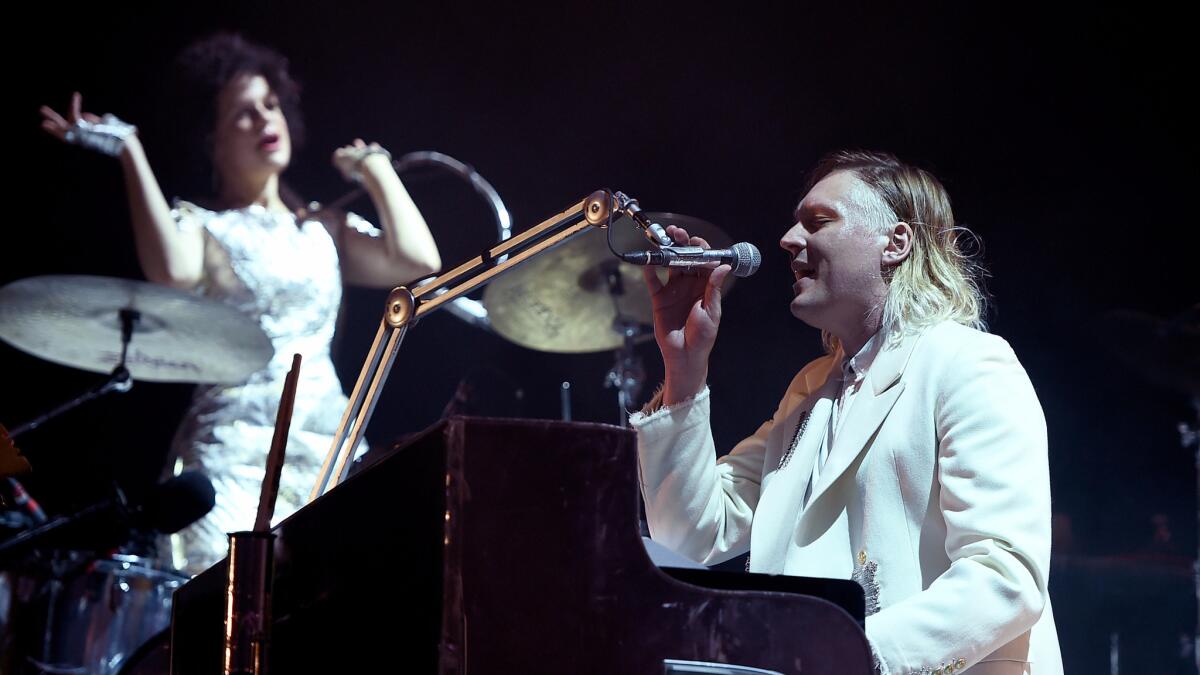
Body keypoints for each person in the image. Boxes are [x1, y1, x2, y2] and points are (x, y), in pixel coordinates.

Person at [631, 150, 1062, 674]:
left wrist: (846, 653)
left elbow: (1005, 577)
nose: (789, 241)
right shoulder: (811, 390)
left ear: (895, 244)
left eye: (818, 222)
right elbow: (690, 535)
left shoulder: (966, 363)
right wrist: (684, 368)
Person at [39, 33, 441, 575]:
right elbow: (173, 271)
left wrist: (376, 169)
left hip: (327, 449)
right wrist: (131, 151)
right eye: (243, 114)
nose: (264, 119)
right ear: (212, 140)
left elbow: (418, 260)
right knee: (225, 616)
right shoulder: (204, 225)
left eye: (270, 105)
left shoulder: (325, 229)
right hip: (232, 455)